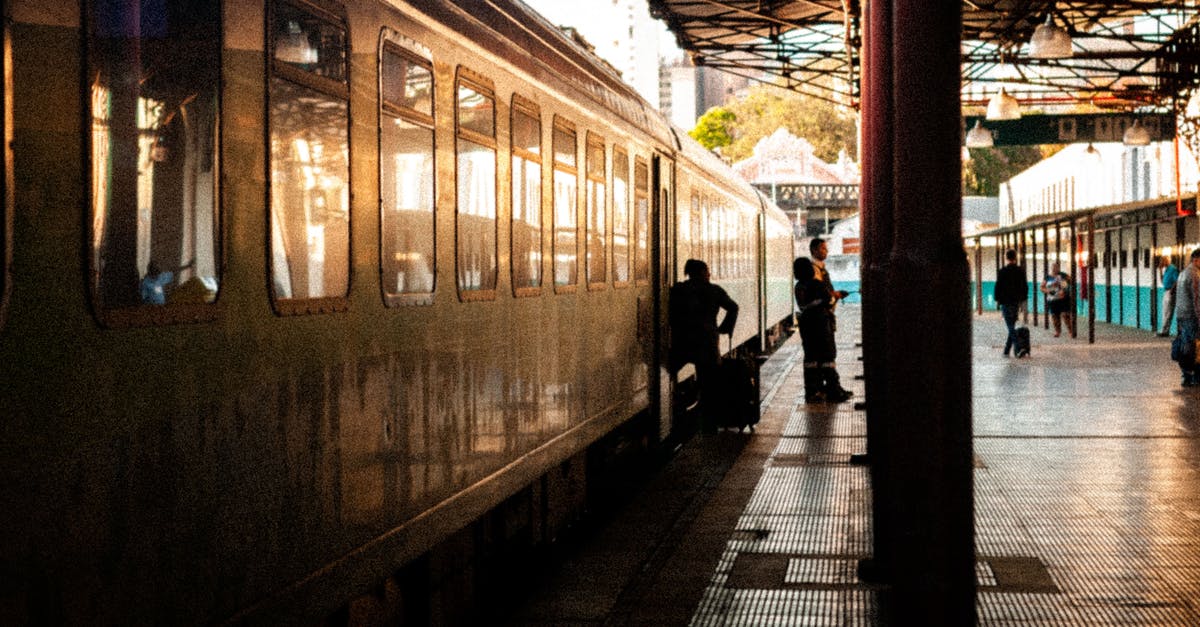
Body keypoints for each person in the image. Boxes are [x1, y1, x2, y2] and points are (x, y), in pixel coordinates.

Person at [669, 259, 739, 430]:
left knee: (668, 369)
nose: (709, 274)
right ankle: (709, 421)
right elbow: (733, 307)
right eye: (707, 271)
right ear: (701, 272)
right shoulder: (714, 290)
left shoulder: (679, 290)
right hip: (707, 342)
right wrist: (724, 328)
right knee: (709, 382)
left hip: (684, 341)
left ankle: (672, 401)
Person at [794, 256, 851, 403]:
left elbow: (804, 306)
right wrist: (836, 296)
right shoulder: (817, 284)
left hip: (806, 327)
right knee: (827, 356)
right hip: (821, 324)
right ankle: (833, 390)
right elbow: (829, 301)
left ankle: (813, 391)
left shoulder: (798, 287)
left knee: (811, 358)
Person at [994, 249, 1028, 357]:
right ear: (1015, 257)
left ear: (1006, 258)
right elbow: (1024, 286)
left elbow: (998, 287)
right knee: (1011, 324)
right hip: (1015, 302)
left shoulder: (1002, 271)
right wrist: (1023, 300)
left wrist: (998, 300)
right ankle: (1006, 350)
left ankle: (1018, 348)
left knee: (1010, 326)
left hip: (1005, 302)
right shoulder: (1020, 271)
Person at [1173, 249, 1200, 386]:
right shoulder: (1195, 274)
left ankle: (1186, 374)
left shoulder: (1183, 273)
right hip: (1191, 316)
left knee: (1186, 344)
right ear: (1196, 259)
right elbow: (1197, 299)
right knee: (1195, 346)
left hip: (1181, 314)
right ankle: (1195, 375)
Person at [1040, 261, 1073, 338]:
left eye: (1056, 267)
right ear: (1051, 268)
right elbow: (1042, 287)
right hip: (1052, 299)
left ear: (1059, 268)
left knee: (1065, 315)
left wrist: (1063, 287)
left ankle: (1071, 331)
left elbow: (1070, 282)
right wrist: (1047, 291)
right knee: (1055, 316)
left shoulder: (1064, 275)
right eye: (1053, 267)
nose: (1055, 269)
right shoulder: (1047, 277)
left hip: (1063, 298)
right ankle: (1058, 331)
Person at [1159, 255, 1179, 337]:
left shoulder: (1173, 269)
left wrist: (1172, 289)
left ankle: (1165, 330)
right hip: (1165, 290)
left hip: (1170, 292)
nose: (1161, 263)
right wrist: (1160, 270)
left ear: (1166, 261)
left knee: (1168, 312)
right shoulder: (1166, 270)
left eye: (1162, 261)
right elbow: (1162, 281)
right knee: (1164, 311)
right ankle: (1164, 329)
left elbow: (1177, 280)